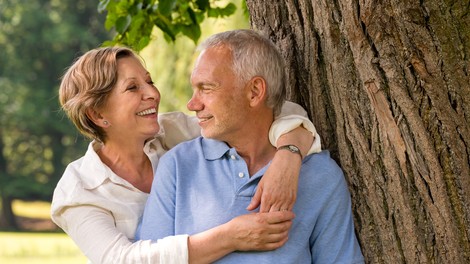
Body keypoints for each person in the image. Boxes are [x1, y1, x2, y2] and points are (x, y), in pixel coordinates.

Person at [50, 46, 322, 263]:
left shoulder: (172, 133)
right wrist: (230, 236)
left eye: (149, 81)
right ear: (97, 114)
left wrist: (288, 156)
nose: (153, 94)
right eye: (133, 88)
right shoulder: (78, 191)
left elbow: (265, 111)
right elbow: (123, 260)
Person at [139, 29, 365, 263]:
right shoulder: (177, 166)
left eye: (206, 88)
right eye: (194, 89)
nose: (192, 104)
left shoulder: (321, 176)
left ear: (255, 92)